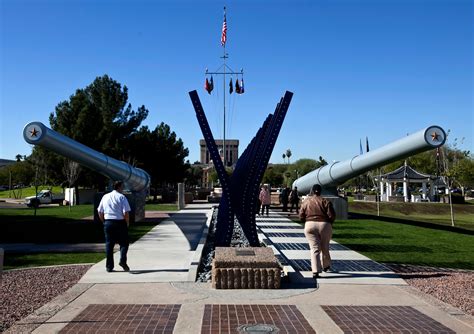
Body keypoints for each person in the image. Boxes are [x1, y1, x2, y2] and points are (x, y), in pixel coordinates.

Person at [299, 184, 336, 282]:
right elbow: (332, 215)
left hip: (310, 224)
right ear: (320, 191)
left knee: (314, 249)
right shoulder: (325, 201)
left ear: (312, 191)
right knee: (325, 247)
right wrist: (329, 223)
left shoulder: (306, 201)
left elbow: (301, 215)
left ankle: (315, 271)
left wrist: (306, 221)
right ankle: (326, 265)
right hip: (324, 224)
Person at [97, 181, 131, 272]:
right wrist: (127, 222)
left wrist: (104, 221)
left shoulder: (105, 196)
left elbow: (100, 211)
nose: (123, 188)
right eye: (122, 186)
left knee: (109, 245)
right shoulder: (122, 197)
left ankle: (109, 266)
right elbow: (126, 212)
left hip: (108, 222)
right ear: (119, 187)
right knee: (124, 243)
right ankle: (123, 261)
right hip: (120, 222)